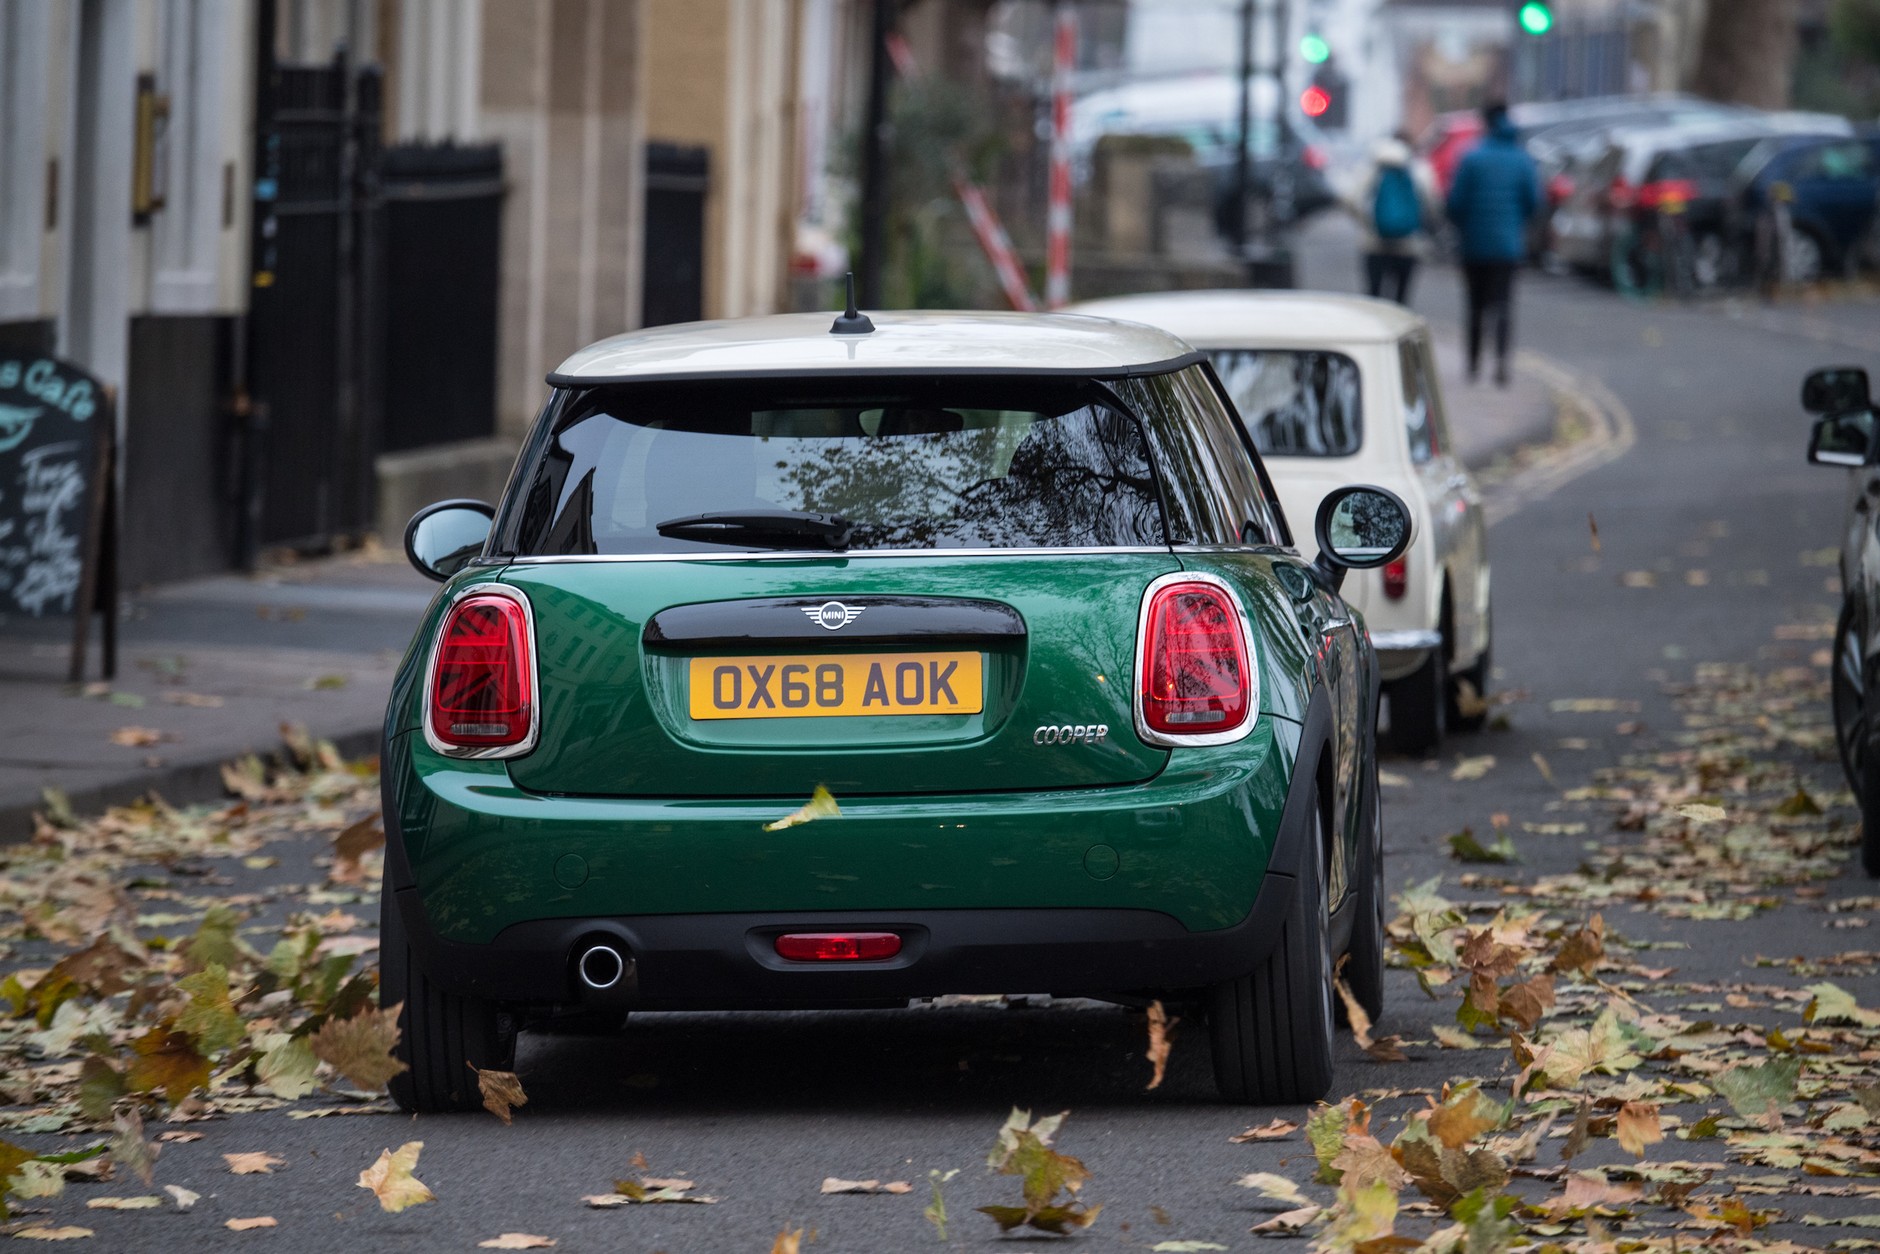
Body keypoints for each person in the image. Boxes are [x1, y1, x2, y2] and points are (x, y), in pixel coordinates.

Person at [1445, 101, 1540, 386]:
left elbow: (1454, 203)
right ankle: (1501, 364)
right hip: (1508, 246)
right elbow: (1535, 202)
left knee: (1475, 306)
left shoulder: (1471, 158)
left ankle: (1473, 365)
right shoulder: (1522, 159)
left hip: (1474, 246)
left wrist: (1464, 227)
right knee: (1503, 305)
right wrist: (1515, 225)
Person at [1351, 133, 1438, 305]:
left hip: (1374, 244)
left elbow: (1352, 199)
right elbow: (1433, 203)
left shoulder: (1373, 168)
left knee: (1373, 300)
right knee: (1401, 302)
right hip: (1408, 245)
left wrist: (1370, 224)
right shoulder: (1419, 168)